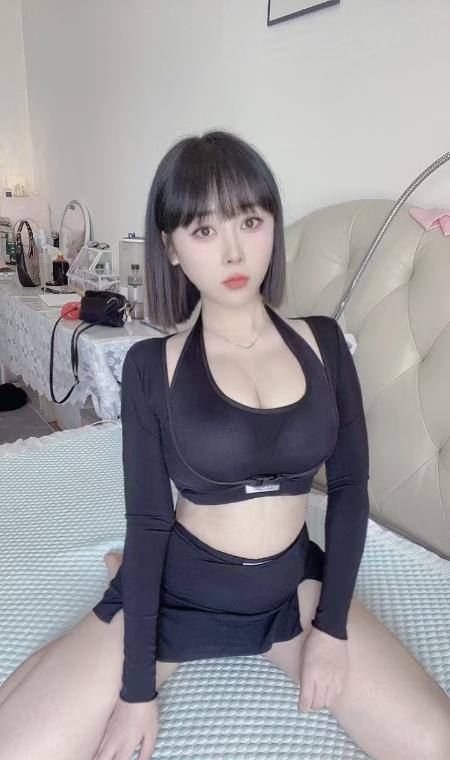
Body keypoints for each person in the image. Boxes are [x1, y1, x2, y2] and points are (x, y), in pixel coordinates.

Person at [0, 130, 448, 760]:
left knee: (435, 742)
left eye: (250, 221)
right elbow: (149, 521)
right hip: (179, 595)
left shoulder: (324, 343)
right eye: (204, 230)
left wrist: (332, 628)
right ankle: (121, 578)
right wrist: (136, 691)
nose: (234, 250)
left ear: (273, 225)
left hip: (290, 593)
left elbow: (350, 489)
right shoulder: (151, 367)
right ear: (171, 246)